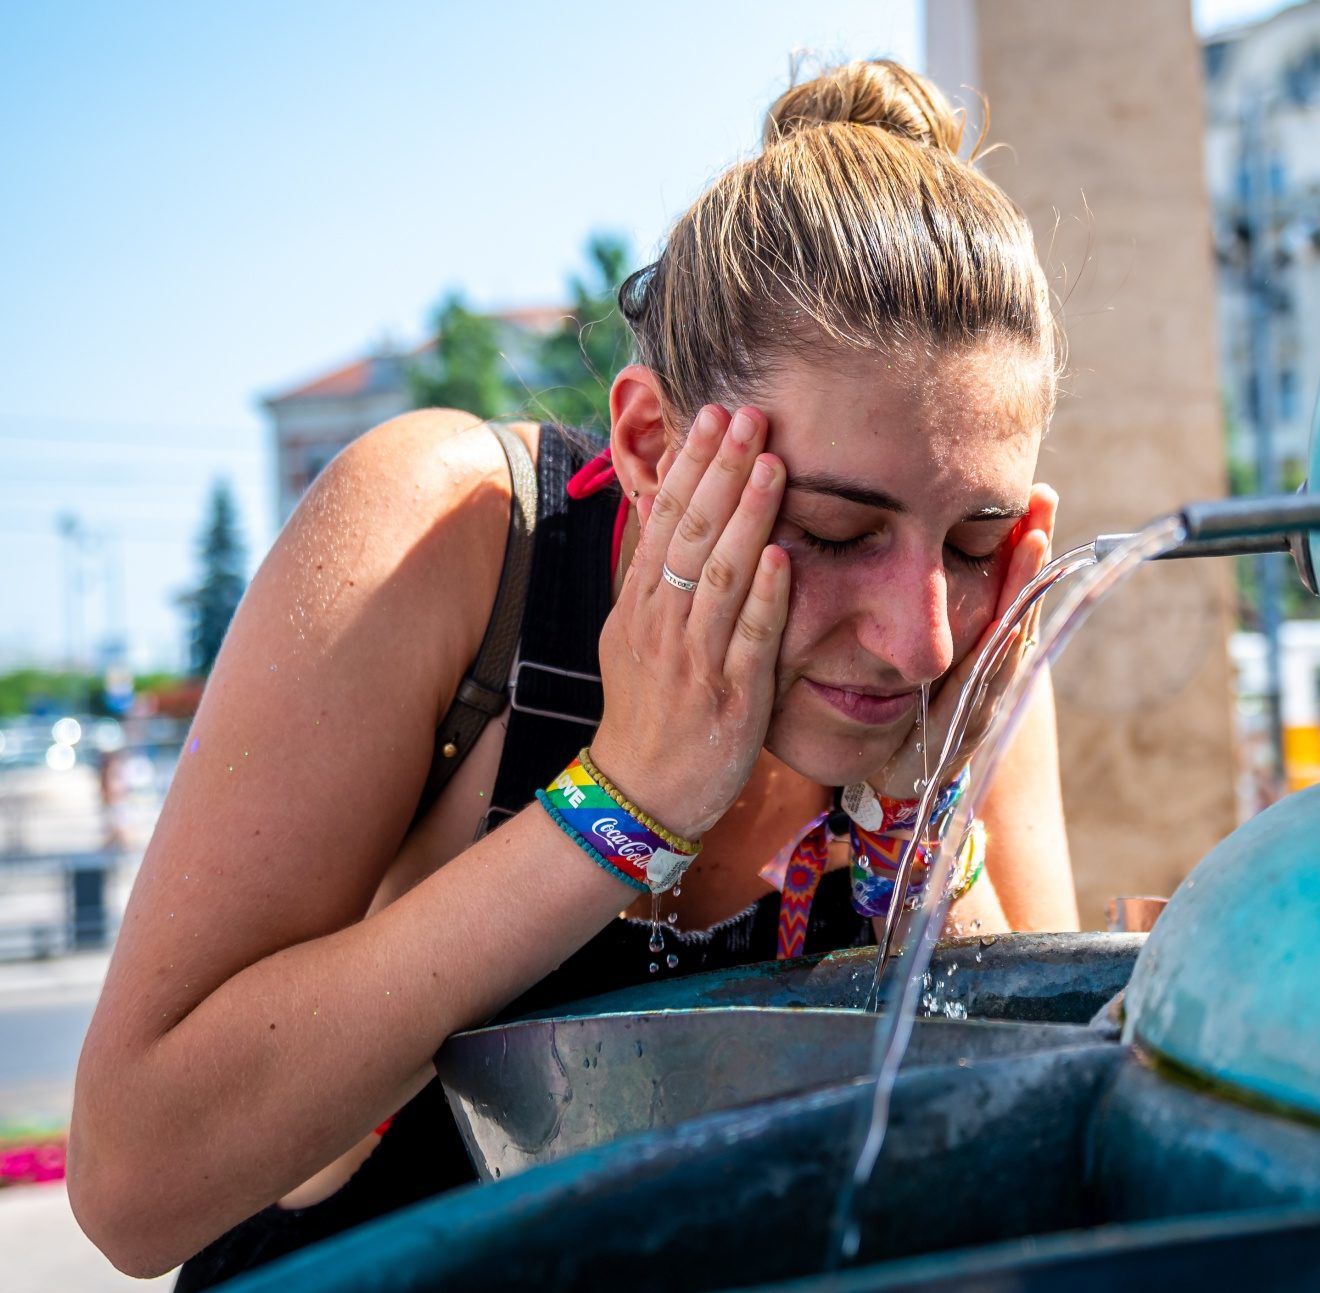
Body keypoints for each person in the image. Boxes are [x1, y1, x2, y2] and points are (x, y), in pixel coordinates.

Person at [67, 59, 1079, 1285]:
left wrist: (918, 831)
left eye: (973, 539)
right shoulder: (452, 545)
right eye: (829, 530)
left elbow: (1033, 1154)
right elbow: (136, 1190)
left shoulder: (955, 651)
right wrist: (624, 803)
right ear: (652, 447)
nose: (914, 637)